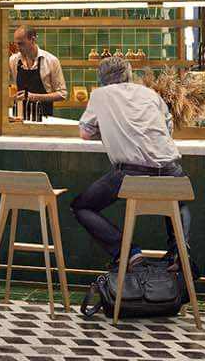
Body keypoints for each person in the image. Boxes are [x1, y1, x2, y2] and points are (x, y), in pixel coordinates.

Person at [71, 55, 188, 266]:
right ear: (129, 74)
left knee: (81, 207)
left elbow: (85, 133)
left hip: (132, 175)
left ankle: (129, 252)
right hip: (173, 171)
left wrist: (110, 130)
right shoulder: (149, 93)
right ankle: (179, 253)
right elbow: (167, 128)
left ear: (101, 78)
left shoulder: (100, 95)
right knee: (179, 204)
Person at [0, 25, 66, 120]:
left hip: (45, 117)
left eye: (21, 44)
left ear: (33, 40)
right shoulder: (14, 60)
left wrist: (33, 96)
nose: (18, 48)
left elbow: (62, 94)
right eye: (16, 44)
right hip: (20, 117)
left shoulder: (51, 61)